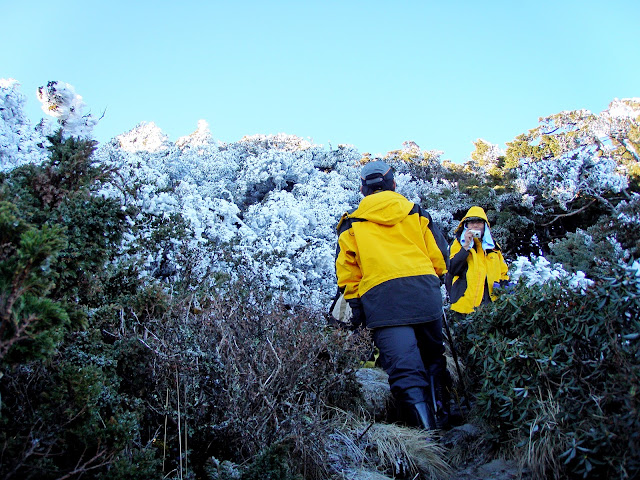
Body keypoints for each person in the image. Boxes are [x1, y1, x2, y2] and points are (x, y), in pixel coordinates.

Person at [335, 160, 450, 430]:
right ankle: (444, 417)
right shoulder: (416, 213)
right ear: (393, 184)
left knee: (404, 369)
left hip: (383, 301)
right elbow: (439, 255)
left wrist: (356, 304)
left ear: (363, 190)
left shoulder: (351, 223)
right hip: (425, 293)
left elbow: (347, 272)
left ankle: (427, 440)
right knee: (433, 358)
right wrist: (436, 278)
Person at [447, 206, 509, 317]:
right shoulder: (458, 243)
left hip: (491, 304)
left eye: (479, 222)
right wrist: (465, 246)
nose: (475, 225)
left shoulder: (493, 247)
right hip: (464, 304)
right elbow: (452, 269)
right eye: (471, 222)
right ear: (466, 225)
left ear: (485, 225)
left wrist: (502, 291)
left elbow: (503, 272)